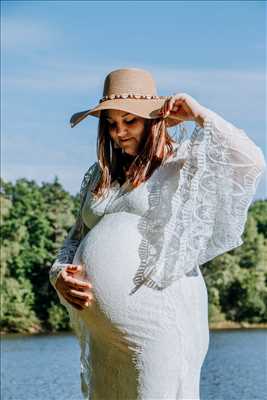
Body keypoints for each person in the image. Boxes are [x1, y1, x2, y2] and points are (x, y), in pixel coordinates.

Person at [49, 68, 266, 400]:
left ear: (152, 120)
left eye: (129, 121)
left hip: (159, 326)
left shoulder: (181, 162)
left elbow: (250, 162)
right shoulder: (100, 175)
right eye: (111, 123)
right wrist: (59, 275)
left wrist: (199, 115)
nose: (119, 132)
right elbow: (75, 239)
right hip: (104, 340)